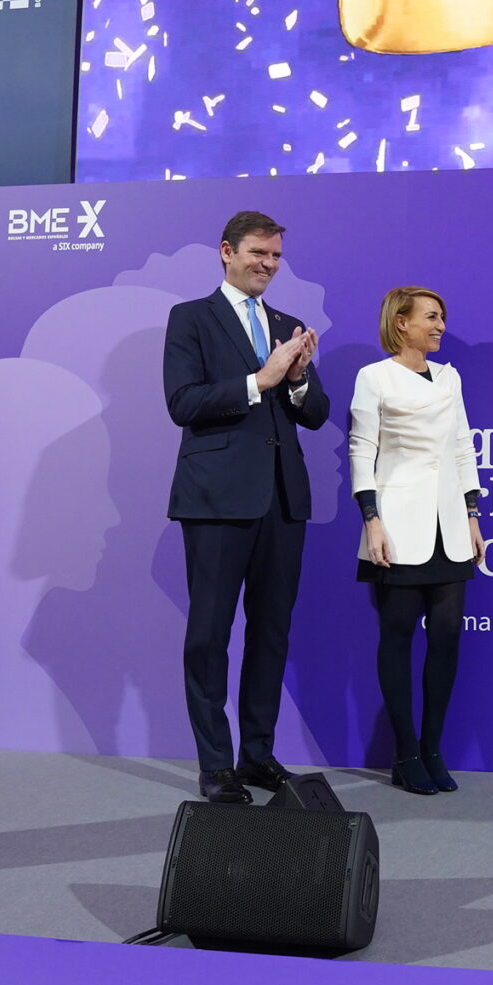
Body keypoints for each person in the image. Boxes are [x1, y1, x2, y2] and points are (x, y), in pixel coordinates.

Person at [162, 210, 328, 804]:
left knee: (271, 633)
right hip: (216, 499)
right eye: (259, 252)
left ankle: (257, 755)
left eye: (276, 255)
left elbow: (315, 413)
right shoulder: (191, 318)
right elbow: (183, 403)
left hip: (283, 499)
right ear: (227, 252)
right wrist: (262, 379)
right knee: (209, 635)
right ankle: (216, 766)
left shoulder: (287, 324)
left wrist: (299, 377)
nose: (269, 264)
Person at [349, 286, 485, 794]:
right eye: (431, 316)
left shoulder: (450, 377)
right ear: (401, 322)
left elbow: (461, 447)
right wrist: (372, 520)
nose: (441, 325)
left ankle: (432, 748)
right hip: (398, 525)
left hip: (449, 526)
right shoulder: (374, 377)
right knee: (398, 635)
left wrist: (471, 515)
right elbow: (361, 449)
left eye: (442, 317)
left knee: (446, 636)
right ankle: (405, 753)